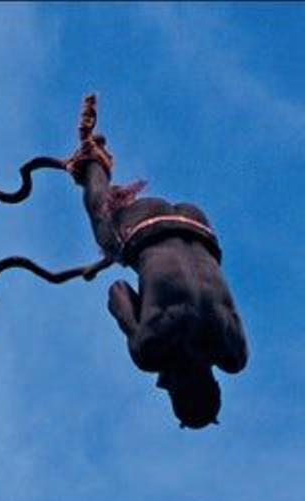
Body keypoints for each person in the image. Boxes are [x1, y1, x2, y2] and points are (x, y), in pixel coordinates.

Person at [66, 95, 248, 428]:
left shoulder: (233, 353)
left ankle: (95, 162)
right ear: (180, 389)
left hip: (197, 224)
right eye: (170, 392)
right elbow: (117, 291)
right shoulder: (150, 349)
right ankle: (91, 160)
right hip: (141, 226)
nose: (162, 385)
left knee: (123, 249)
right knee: (104, 231)